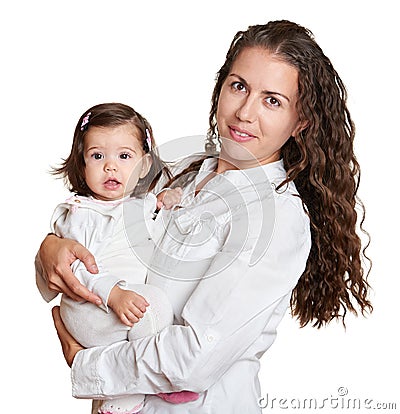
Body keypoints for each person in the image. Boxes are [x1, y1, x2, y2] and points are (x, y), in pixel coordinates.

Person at [37, 20, 373, 413]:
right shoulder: (187, 172)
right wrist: (51, 248)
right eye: (238, 86)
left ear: (301, 122)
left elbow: (194, 358)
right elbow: (104, 220)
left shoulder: (275, 217)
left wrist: (85, 363)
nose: (245, 112)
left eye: (272, 100)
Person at [36, 102, 198, 414]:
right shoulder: (82, 214)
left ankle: (143, 385)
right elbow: (74, 268)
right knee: (152, 306)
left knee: (152, 307)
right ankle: (124, 399)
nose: (111, 167)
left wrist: (166, 203)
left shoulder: (140, 205)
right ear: (82, 164)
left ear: (144, 163)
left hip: (118, 306)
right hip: (90, 305)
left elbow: (159, 242)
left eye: (124, 156)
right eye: (98, 156)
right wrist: (114, 294)